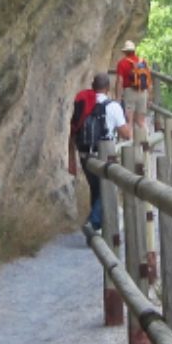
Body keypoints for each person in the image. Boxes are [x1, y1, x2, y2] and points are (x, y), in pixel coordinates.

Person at [68, 71, 129, 235]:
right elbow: (126, 134)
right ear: (108, 88)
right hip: (104, 155)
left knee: (96, 189)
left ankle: (99, 229)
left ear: (92, 86)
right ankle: (93, 223)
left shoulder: (83, 103)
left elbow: (73, 130)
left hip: (84, 154)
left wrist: (71, 158)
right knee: (107, 188)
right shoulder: (113, 106)